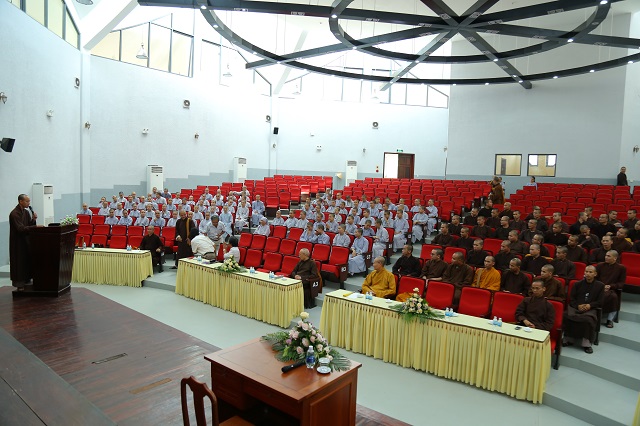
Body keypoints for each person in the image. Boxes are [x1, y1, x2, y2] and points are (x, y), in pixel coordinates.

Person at [563, 265, 604, 354]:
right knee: (567, 316)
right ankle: (569, 339)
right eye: (586, 272)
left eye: (590, 272)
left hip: (590, 308)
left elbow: (600, 301)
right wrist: (578, 306)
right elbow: (572, 298)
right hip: (576, 307)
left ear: (595, 274)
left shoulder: (600, 286)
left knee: (588, 320)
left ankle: (586, 344)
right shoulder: (577, 284)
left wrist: (590, 305)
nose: (588, 274)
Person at [9, 194, 37, 290]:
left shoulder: (26, 212)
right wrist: (35, 227)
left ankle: (26, 280)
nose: (29, 203)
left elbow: (28, 225)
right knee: (19, 262)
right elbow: (20, 229)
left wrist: (33, 220)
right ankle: (19, 284)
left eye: (29, 201)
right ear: (20, 201)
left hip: (26, 242)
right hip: (18, 243)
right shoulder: (14, 214)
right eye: (27, 201)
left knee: (26, 261)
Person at [596, 250, 627, 328]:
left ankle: (610, 319)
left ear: (615, 258)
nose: (606, 257)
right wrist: (601, 286)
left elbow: (621, 283)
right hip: (599, 288)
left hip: (612, 289)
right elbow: (595, 278)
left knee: (614, 297)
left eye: (608, 256)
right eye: (606, 255)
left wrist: (610, 286)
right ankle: (595, 316)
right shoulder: (600, 265)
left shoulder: (621, 268)